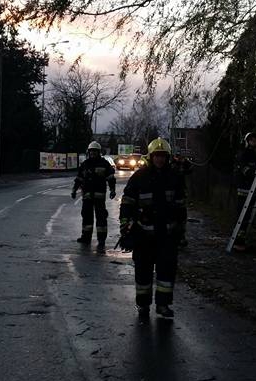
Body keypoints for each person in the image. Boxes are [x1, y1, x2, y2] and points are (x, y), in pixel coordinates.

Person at [119, 137, 187, 321]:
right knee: (143, 272)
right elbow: (127, 202)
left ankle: (163, 305)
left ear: (168, 157)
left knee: (166, 271)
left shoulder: (174, 177)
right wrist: (125, 227)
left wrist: (181, 231)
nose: (160, 159)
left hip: (167, 235)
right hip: (143, 235)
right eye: (157, 156)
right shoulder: (139, 177)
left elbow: (181, 206)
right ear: (151, 157)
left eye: (163, 156)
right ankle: (143, 304)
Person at [72, 141, 116, 253]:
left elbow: (111, 177)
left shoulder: (104, 164)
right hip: (87, 196)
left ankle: (101, 240)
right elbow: (79, 178)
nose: (93, 153)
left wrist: (112, 189)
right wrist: (74, 190)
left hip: (99, 197)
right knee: (87, 217)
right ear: (88, 152)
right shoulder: (85, 164)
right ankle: (86, 238)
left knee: (101, 218)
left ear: (98, 152)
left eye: (94, 151)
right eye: (91, 151)